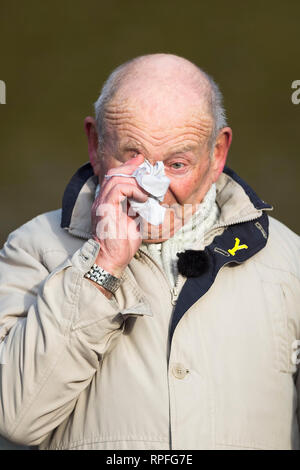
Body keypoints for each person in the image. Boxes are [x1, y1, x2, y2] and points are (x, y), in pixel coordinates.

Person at [0, 53, 299, 451]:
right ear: (95, 143)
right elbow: (16, 419)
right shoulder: (32, 250)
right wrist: (103, 263)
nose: (151, 186)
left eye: (177, 163)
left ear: (217, 154)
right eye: (132, 157)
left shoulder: (290, 261)